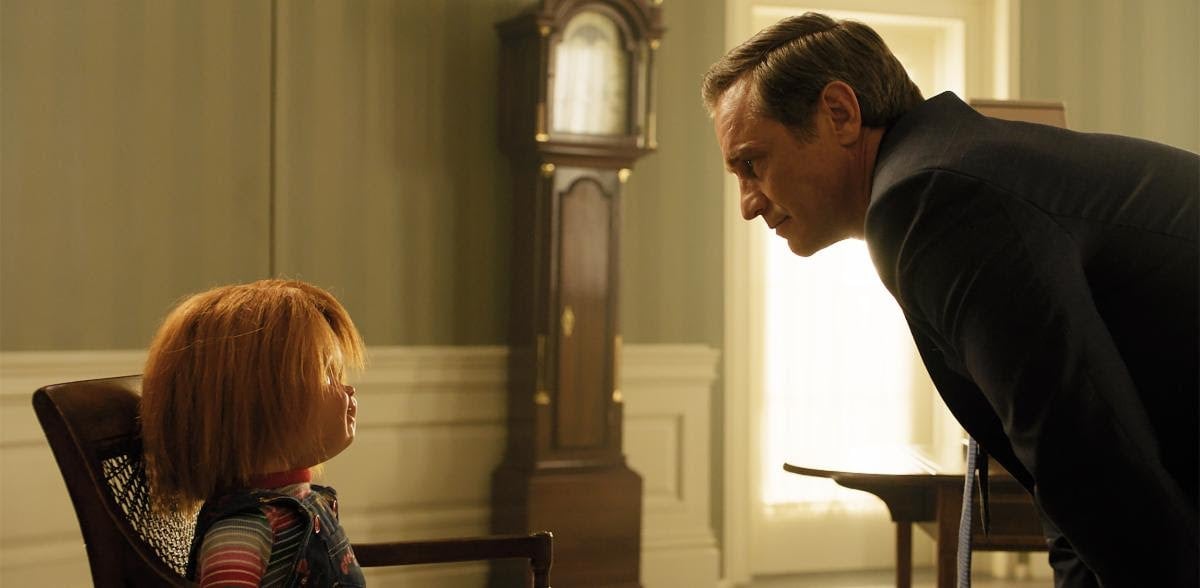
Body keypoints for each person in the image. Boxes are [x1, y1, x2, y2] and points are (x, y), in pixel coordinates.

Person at [702, 12, 1198, 587]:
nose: (747, 203)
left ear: (840, 113)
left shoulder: (935, 196)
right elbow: (1076, 478)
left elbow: (1091, 467)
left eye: (751, 163)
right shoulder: (947, 168)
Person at [140, 279, 367, 587]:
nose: (348, 390)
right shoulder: (242, 533)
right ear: (261, 401)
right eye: (327, 374)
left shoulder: (299, 503)